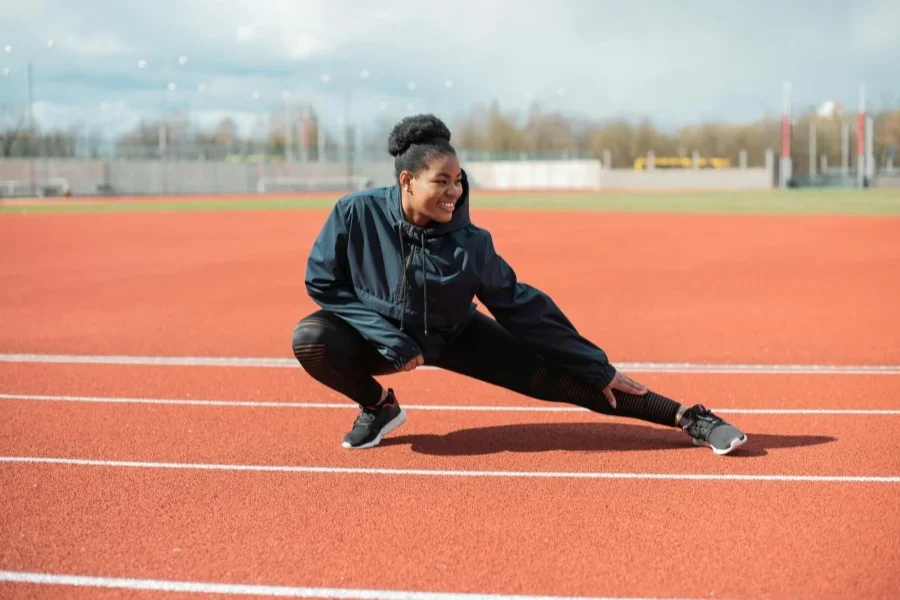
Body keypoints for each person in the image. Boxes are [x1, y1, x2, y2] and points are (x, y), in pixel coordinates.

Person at [292, 114, 747, 455]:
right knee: (311, 339)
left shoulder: (471, 243)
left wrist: (596, 365)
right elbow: (323, 280)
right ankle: (378, 407)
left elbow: (520, 306)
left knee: (567, 381)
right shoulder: (355, 213)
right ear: (407, 181)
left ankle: (688, 418)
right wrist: (384, 334)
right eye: (441, 182)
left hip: (453, 334)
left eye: (458, 181)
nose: (454, 192)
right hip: (385, 340)